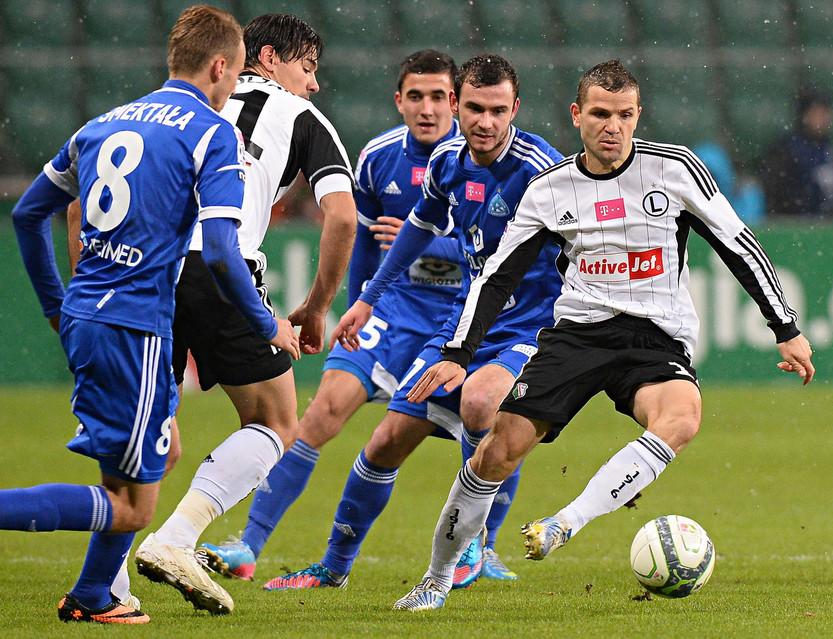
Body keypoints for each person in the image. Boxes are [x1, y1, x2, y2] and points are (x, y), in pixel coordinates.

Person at [389, 59, 815, 611]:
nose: (612, 126)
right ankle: (437, 577)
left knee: (682, 417)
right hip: (578, 334)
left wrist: (785, 326)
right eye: (599, 113)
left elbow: (738, 244)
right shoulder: (549, 189)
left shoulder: (676, 169)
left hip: (654, 337)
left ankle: (567, 522)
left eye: (624, 115)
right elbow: (498, 276)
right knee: (497, 452)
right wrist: (457, 353)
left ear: (638, 116)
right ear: (577, 115)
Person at [5, 5, 299, 624]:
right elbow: (222, 249)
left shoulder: (102, 123)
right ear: (221, 66)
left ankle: (94, 596)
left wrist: (59, 308)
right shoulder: (211, 131)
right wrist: (266, 322)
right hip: (135, 326)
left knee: (146, 466)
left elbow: (29, 214)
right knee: (135, 508)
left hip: (91, 317)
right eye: (237, 72)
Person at [200, 49, 526, 586]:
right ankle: (248, 545)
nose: (428, 108)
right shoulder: (376, 157)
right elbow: (362, 245)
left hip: (460, 315)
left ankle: (479, 546)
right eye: (415, 96)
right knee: (321, 412)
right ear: (399, 100)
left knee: (484, 424)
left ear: (458, 101)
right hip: (394, 312)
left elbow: (499, 252)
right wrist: (358, 306)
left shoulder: (490, 159)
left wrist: (434, 247)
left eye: (439, 97)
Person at [132, 13, 356, 615]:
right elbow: (342, 217)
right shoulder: (301, 117)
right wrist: (316, 307)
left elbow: (75, 205)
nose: (313, 85)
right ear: (267, 59)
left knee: (149, 438)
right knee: (277, 421)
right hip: (217, 268)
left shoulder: (168, 107)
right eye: (307, 68)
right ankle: (177, 539)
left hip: (145, 272)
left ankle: (107, 588)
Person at [759, 87, 833, 218]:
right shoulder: (787, 148)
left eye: (824, 113)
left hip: (830, 224)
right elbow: (777, 191)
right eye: (816, 113)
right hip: (797, 222)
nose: (821, 118)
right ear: (804, 115)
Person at [692, 141, 765, 225]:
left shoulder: (747, 197)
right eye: (700, 178)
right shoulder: (680, 206)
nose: (705, 184)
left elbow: (750, 228)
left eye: (711, 177)